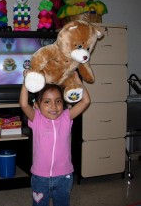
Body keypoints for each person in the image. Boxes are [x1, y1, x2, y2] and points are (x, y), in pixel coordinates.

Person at [19, 70, 90, 206]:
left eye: (58, 101)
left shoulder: (66, 117)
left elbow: (86, 101)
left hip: (64, 176)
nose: (53, 106)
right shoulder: (36, 119)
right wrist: (26, 81)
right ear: (37, 105)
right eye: (47, 102)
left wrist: (77, 81)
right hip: (40, 177)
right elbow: (23, 104)